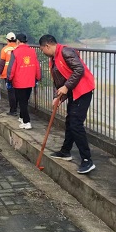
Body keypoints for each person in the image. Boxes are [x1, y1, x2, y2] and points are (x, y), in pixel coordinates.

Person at [38, 34, 96, 174]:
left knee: (76, 124)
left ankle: (87, 160)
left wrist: (66, 87)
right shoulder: (53, 58)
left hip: (82, 91)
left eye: (42, 49)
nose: (42, 52)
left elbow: (79, 69)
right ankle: (65, 151)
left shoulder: (66, 52)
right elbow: (60, 80)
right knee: (70, 121)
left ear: (47, 46)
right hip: (72, 91)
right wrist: (58, 97)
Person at [8, 34, 41, 130]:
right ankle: (22, 117)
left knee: (22, 102)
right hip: (30, 81)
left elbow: (11, 68)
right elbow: (37, 66)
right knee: (25, 100)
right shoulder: (32, 51)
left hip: (19, 82)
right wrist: (38, 77)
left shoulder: (15, 52)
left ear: (18, 41)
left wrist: (9, 79)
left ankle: (27, 122)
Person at [0, 32, 18, 115]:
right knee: (17, 91)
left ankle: (13, 110)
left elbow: (2, 63)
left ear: (7, 40)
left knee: (11, 92)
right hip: (17, 73)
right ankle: (17, 108)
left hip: (8, 74)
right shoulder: (18, 48)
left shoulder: (5, 49)